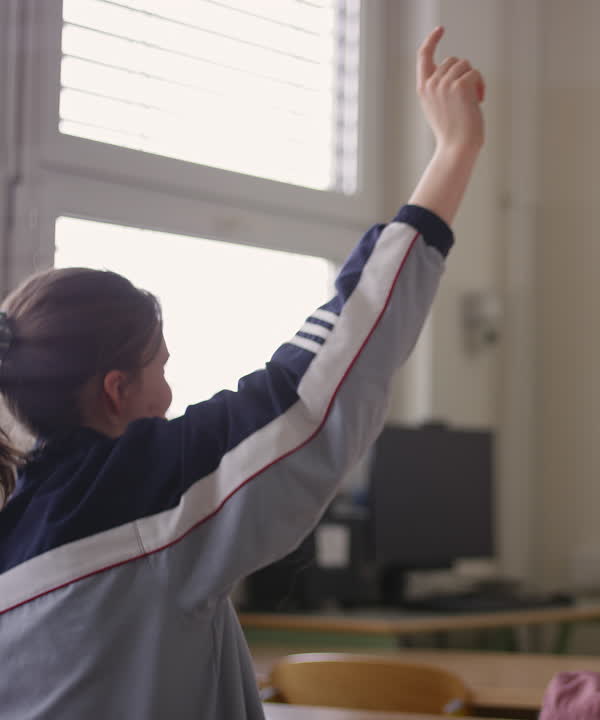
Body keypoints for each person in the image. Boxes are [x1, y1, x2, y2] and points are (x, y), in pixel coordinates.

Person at [0, 27, 483, 719]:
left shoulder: (22, 521)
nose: (170, 396)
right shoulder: (137, 499)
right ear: (116, 389)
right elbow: (320, 377)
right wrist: (454, 151)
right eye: (160, 368)